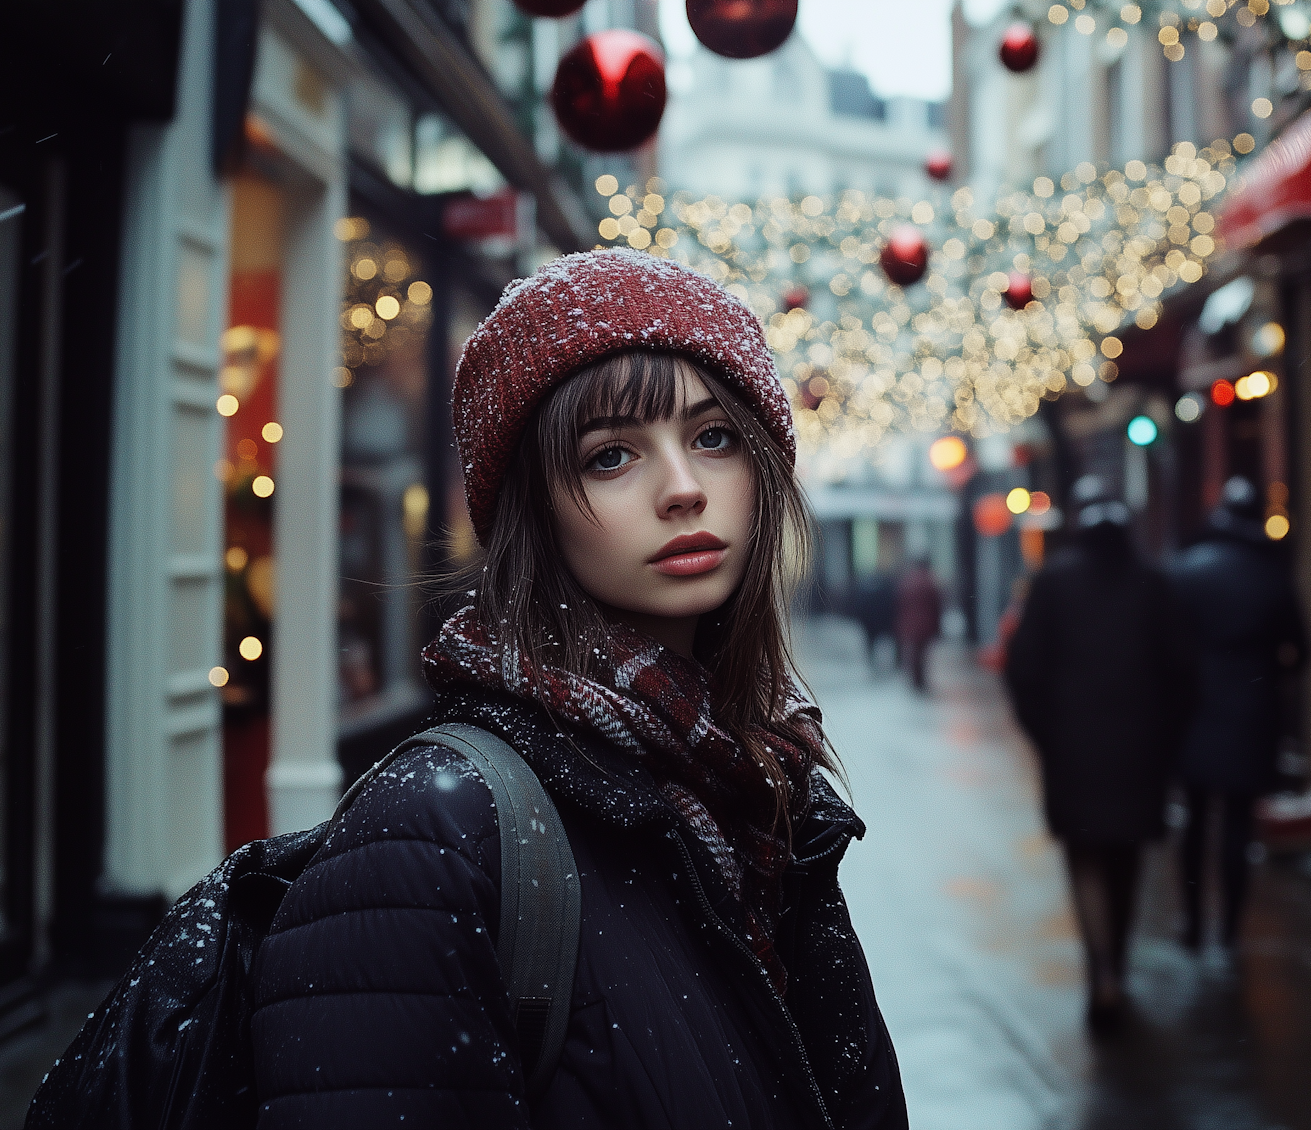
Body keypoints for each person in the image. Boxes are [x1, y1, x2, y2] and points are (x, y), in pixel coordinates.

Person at [249, 250, 906, 1128]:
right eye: (611, 456)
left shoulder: (759, 773)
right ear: (533, 507)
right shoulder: (432, 831)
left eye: (714, 437)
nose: (683, 490)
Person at [1004, 476, 1194, 1031]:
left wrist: (1048, 734)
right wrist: (1165, 741)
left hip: (1074, 751)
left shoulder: (1053, 583)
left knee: (1085, 858)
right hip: (1140, 752)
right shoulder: (1152, 582)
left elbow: (1023, 671)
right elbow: (1184, 673)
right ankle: (1117, 969)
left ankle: (1103, 973)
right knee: (1127, 860)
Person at [1170, 476, 1309, 954]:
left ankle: (1191, 924)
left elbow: (1165, 648)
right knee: (1236, 826)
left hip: (1193, 713)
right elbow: (1303, 650)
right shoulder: (1271, 575)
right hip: (1251, 716)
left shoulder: (1186, 570)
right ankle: (1228, 927)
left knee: (1193, 823)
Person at [894, 558, 942, 691]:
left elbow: (899, 604)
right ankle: (920, 680)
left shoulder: (907, 582)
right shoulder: (930, 582)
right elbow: (937, 606)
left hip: (909, 623)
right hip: (926, 624)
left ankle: (915, 680)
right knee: (922, 654)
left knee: (913, 653)